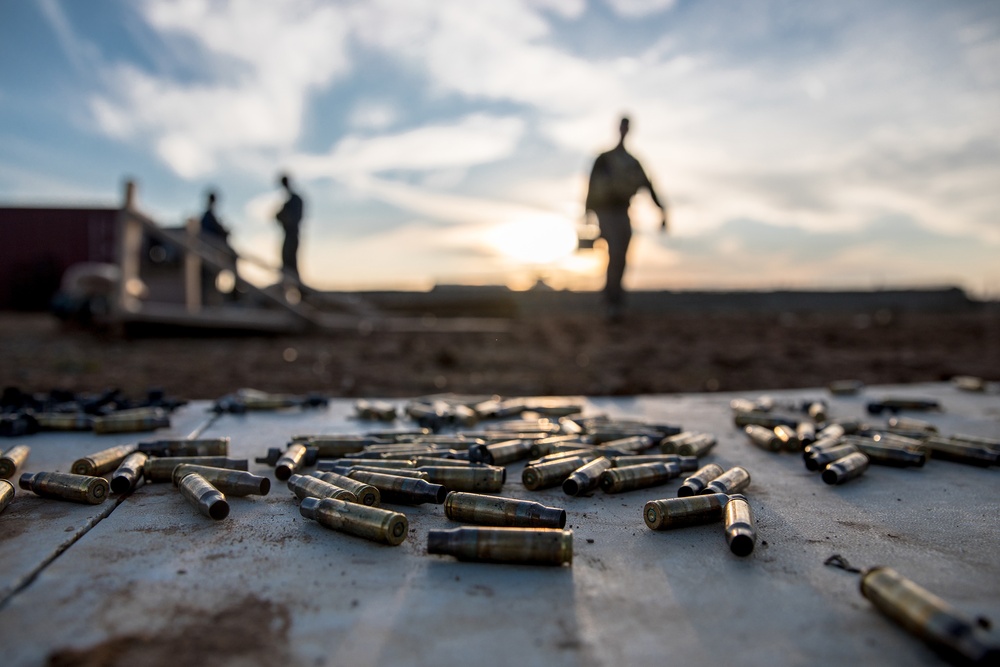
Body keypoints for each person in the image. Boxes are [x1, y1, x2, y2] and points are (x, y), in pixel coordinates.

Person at [584, 116, 669, 321]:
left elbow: (648, 186)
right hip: (607, 213)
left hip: (623, 213)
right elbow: (591, 184)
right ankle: (611, 303)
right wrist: (587, 212)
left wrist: (662, 211)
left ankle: (614, 300)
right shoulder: (604, 158)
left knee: (620, 257)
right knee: (615, 254)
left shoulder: (632, 162)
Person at [199, 190, 238, 302]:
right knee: (210, 277)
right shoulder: (208, 216)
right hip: (210, 251)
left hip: (214, 250)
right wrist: (224, 232)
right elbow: (214, 231)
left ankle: (234, 291)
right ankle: (233, 293)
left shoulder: (211, 215)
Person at [275, 173, 304, 284]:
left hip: (292, 235)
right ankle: (287, 288)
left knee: (290, 261)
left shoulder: (295, 200)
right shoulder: (289, 201)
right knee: (286, 262)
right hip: (289, 234)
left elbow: (293, 219)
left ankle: (300, 291)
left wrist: (284, 217)